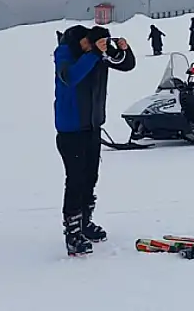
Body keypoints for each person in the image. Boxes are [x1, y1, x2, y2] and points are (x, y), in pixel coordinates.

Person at [54, 25, 136, 256]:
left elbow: (126, 65)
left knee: (90, 177)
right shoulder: (65, 55)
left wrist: (123, 50)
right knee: (76, 180)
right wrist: (92, 54)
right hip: (71, 129)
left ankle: (85, 224)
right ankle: (72, 233)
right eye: (88, 43)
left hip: (92, 126)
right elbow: (69, 77)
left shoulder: (95, 56)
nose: (91, 46)